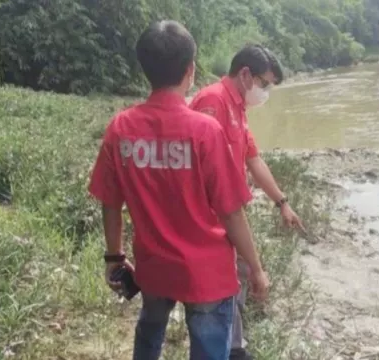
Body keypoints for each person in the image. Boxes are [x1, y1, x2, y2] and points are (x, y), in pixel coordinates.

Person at [88, 21, 269, 360]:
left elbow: (110, 202)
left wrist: (114, 257)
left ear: (146, 71)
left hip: (154, 267)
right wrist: (256, 268)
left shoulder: (121, 128)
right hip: (208, 275)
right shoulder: (205, 130)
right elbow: (231, 211)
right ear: (190, 70)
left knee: (149, 334)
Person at [190, 44, 303, 360]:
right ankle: (229, 348)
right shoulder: (213, 101)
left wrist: (282, 201)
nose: (265, 92)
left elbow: (254, 160)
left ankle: (234, 346)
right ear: (245, 74)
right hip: (213, 218)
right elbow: (203, 173)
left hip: (230, 213)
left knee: (235, 279)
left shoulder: (238, 106)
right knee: (223, 286)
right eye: (264, 83)